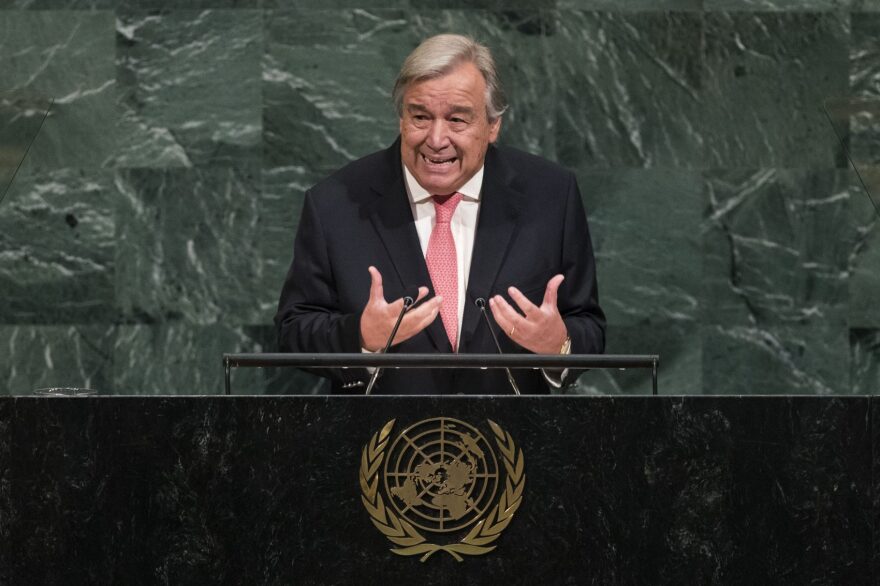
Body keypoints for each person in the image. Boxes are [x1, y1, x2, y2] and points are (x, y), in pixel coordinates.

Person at [274, 34, 605, 394]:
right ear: (401, 119)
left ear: (493, 126)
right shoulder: (335, 204)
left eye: (457, 120)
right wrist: (362, 338)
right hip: (381, 442)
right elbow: (294, 329)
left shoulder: (551, 196)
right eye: (420, 117)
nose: (435, 138)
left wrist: (559, 346)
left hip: (513, 441)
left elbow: (586, 323)